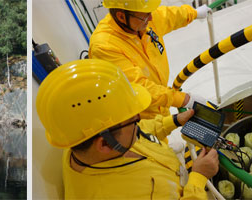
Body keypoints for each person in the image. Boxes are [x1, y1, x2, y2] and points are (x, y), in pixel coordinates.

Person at [36, 59, 220, 199]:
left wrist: (174, 121)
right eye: (133, 119)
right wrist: (198, 178)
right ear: (104, 144)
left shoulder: (83, 136)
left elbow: (140, 130)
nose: (139, 120)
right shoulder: (111, 193)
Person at [89, 0, 213, 119]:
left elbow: (168, 16)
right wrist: (184, 99)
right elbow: (139, 88)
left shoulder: (139, 20)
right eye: (145, 16)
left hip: (161, 102)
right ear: (121, 16)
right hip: (141, 117)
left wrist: (194, 13)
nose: (150, 18)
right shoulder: (104, 46)